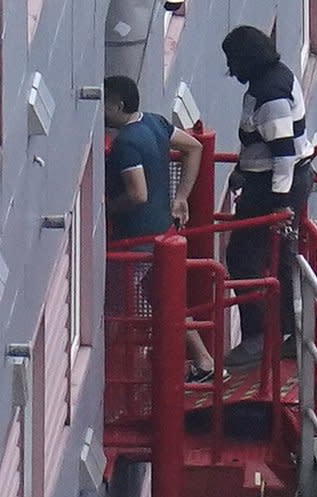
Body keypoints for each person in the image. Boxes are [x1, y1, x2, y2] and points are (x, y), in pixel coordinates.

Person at [103, 75, 222, 383]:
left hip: (136, 240)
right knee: (166, 299)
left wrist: (105, 209)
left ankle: (119, 373)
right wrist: (180, 197)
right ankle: (205, 361)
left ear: (117, 104)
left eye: (104, 102)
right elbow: (194, 147)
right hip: (165, 231)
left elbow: (137, 194)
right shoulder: (155, 123)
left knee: (118, 307)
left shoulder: (125, 144)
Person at [220, 26, 315, 369]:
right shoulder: (275, 78)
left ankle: (260, 336)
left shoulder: (269, 93)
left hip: (274, 185)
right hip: (276, 180)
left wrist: (279, 203)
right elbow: (262, 143)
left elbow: (283, 153)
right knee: (280, 258)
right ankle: (289, 334)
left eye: (232, 60)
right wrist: (241, 167)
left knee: (243, 257)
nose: (230, 68)